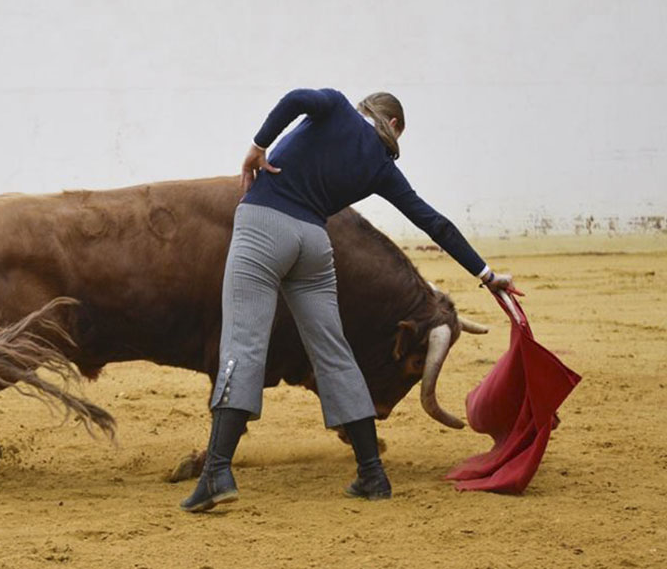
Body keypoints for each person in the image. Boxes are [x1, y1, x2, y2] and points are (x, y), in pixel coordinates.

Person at [180, 88, 518, 513]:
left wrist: (258, 146)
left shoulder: (337, 107)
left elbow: (296, 98)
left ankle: (217, 472)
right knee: (335, 353)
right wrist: (486, 275)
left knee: (243, 344)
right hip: (314, 243)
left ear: (367, 110)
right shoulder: (382, 168)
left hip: (264, 225)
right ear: (392, 125)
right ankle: (372, 473)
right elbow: (434, 222)